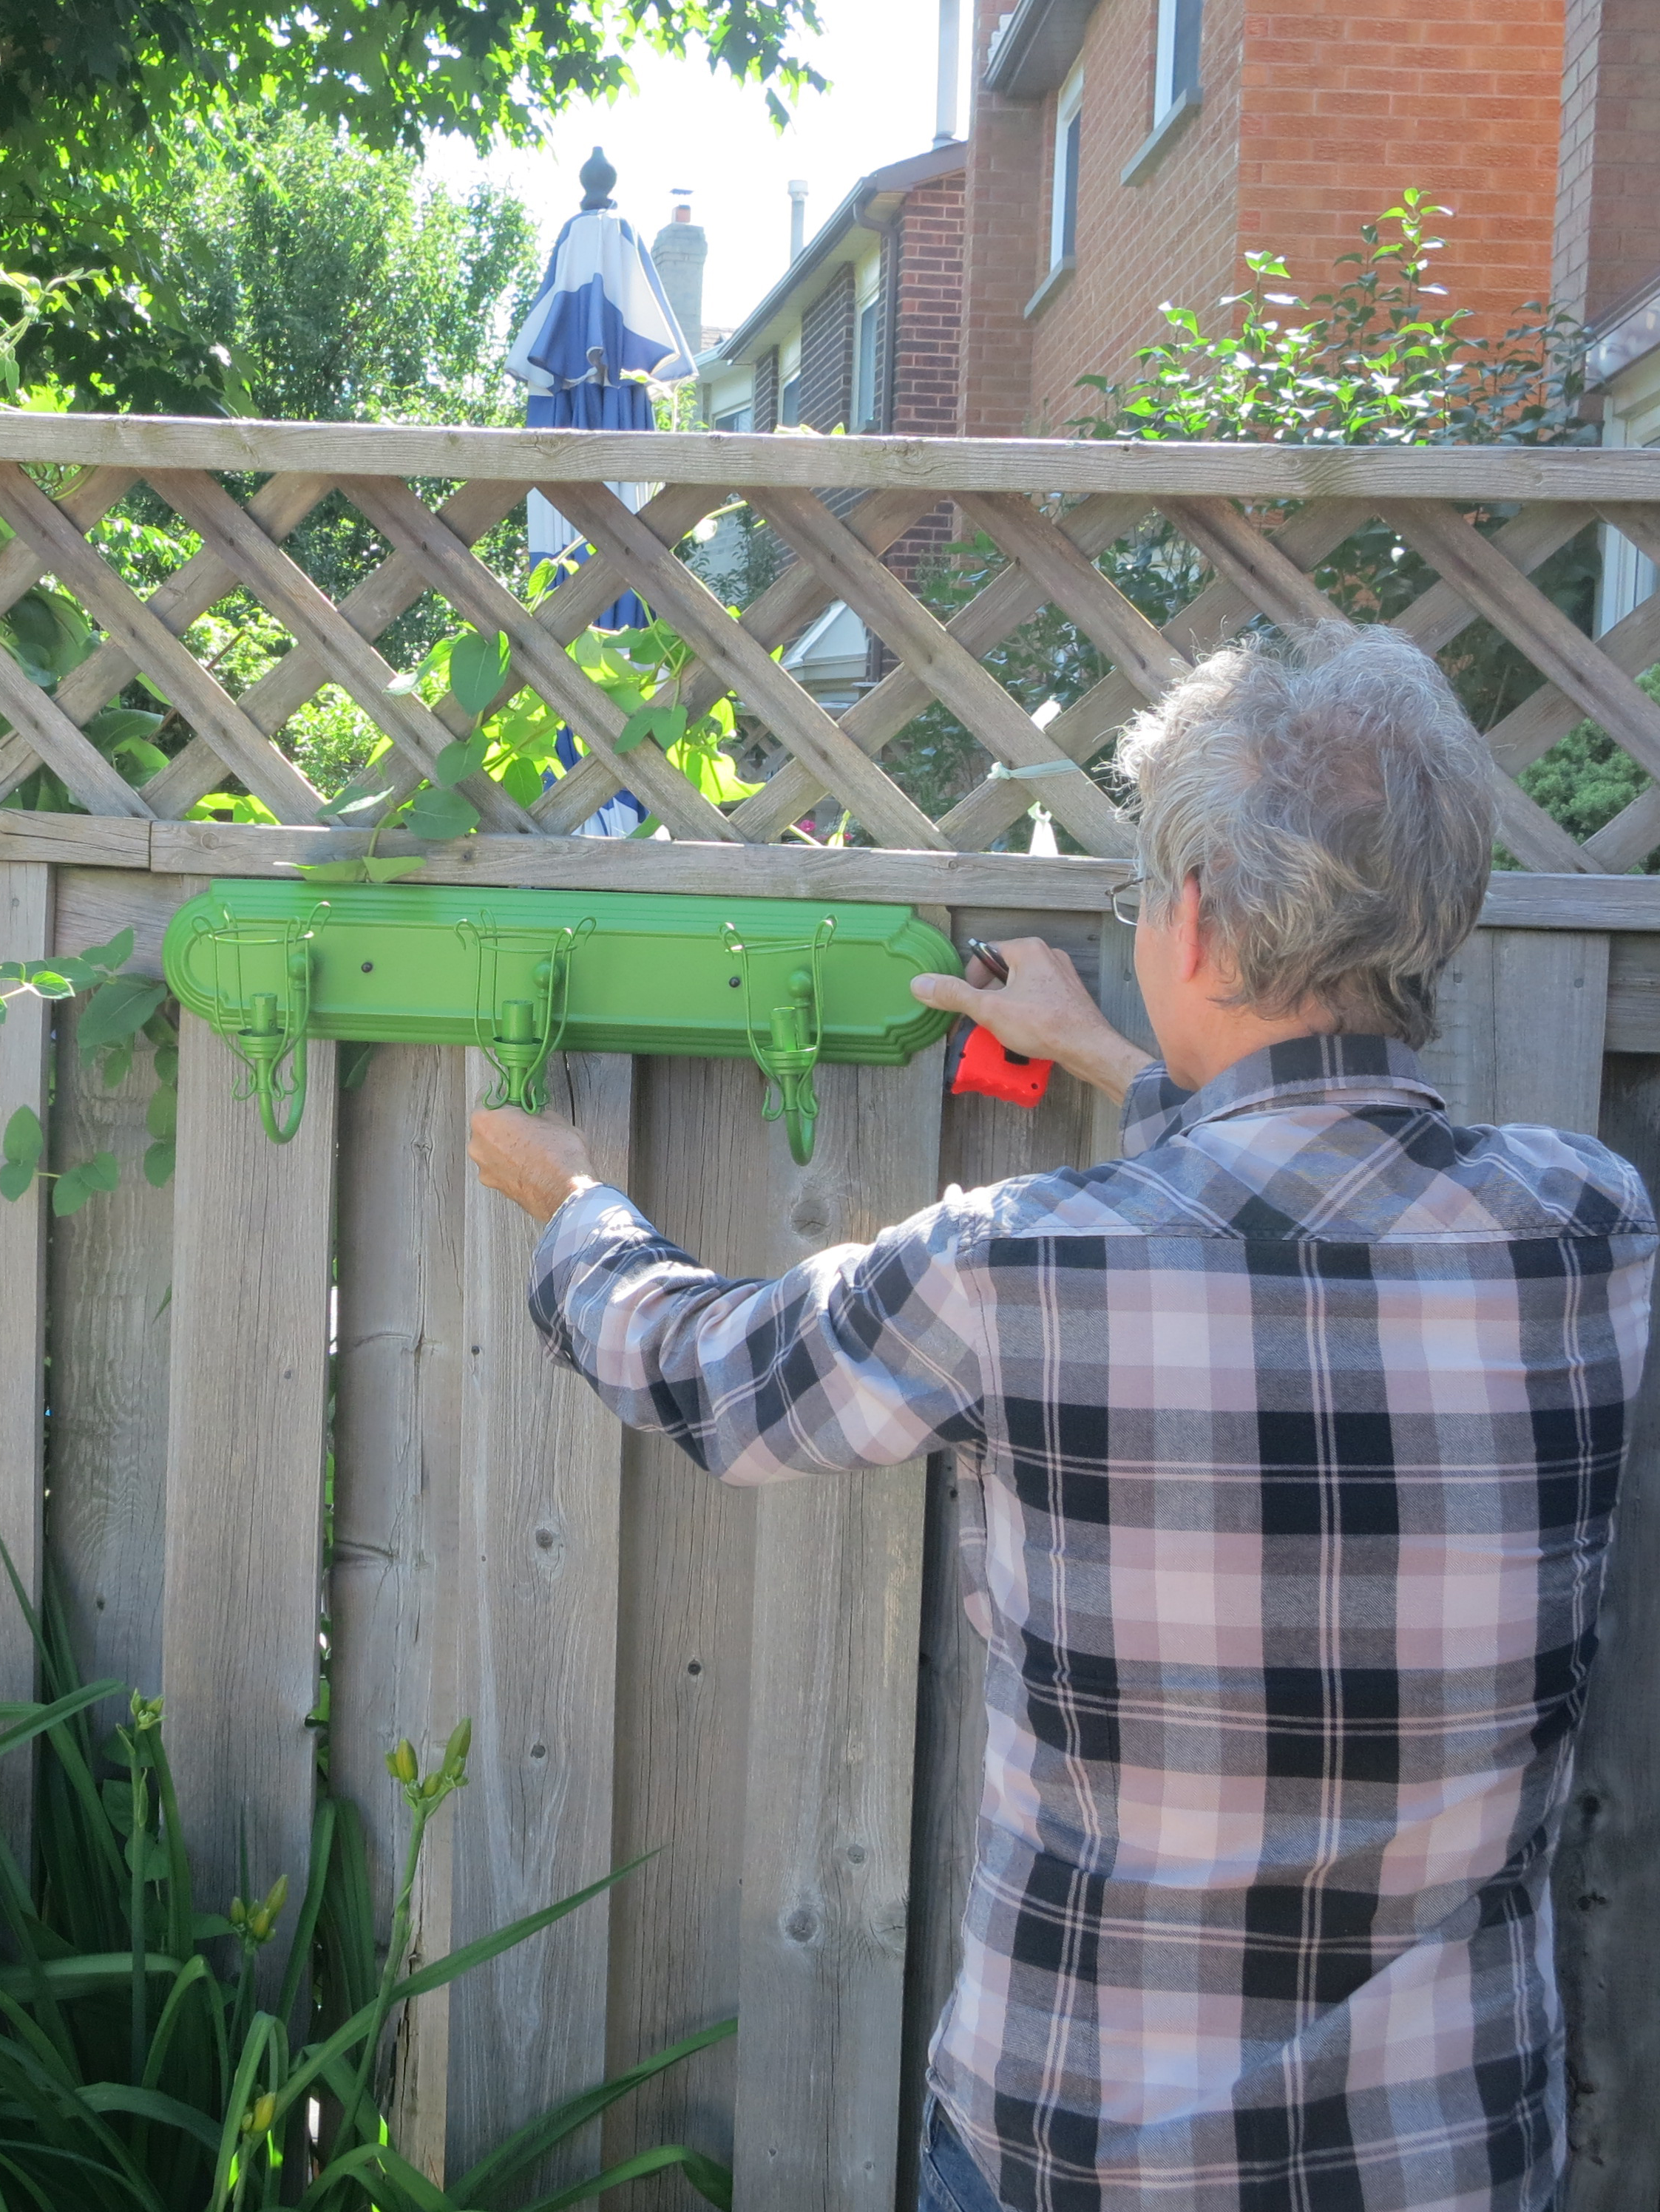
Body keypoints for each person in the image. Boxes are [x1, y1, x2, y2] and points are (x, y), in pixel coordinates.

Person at [467, 623, 1654, 2212]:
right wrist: (1107, 1049)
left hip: (1089, 2155)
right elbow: (1303, 1207)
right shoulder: (1587, 1230)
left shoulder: (1012, 1264)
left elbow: (707, 1369)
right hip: (1443, 2151)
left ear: (1197, 912)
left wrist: (569, 1196)